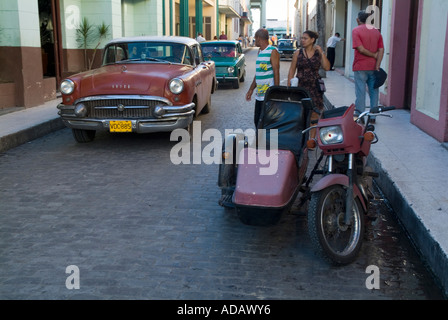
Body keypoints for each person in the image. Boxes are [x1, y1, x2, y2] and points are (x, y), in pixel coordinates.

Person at [287, 30, 330, 138]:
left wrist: (322, 53)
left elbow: (327, 67)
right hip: (301, 87)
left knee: (315, 113)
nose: (302, 40)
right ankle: (301, 138)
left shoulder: (318, 53)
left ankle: (311, 139)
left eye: (305, 38)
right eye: (302, 38)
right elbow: (292, 70)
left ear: (312, 40)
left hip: (315, 87)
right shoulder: (298, 53)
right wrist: (289, 88)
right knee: (300, 112)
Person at [352, 10, 384, 123]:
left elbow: (360, 49)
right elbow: (381, 50)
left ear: (358, 20)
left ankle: (360, 116)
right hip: (373, 67)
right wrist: (378, 64)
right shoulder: (376, 31)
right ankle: (373, 117)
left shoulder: (356, 30)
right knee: (374, 91)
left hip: (360, 66)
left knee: (360, 92)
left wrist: (372, 54)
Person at [245, 28, 280, 128]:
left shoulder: (273, 51)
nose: (254, 41)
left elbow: (276, 72)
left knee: (268, 123)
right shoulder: (260, 52)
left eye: (255, 39)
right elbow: (258, 73)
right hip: (259, 95)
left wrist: (276, 93)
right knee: (257, 121)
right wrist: (251, 89)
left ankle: (268, 143)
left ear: (259, 38)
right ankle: (261, 143)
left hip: (269, 95)